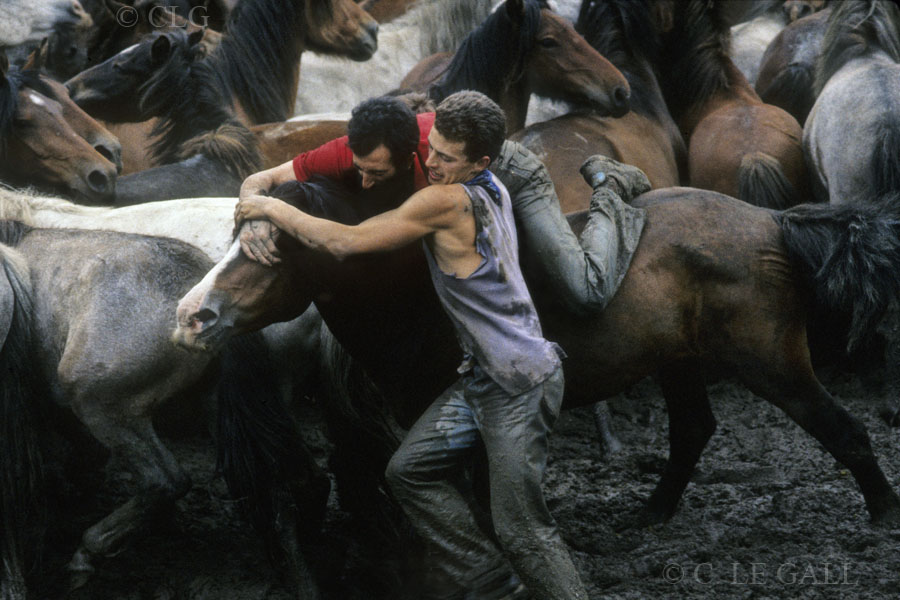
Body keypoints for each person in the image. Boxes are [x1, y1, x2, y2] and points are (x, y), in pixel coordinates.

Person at [234, 90, 594, 600]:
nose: (432, 162)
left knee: (523, 531)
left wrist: (267, 205)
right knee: (407, 472)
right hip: (480, 379)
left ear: (481, 163)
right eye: (432, 149)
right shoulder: (489, 187)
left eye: (447, 157)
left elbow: (346, 243)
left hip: (518, 384)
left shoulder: (444, 200)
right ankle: (489, 577)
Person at [236, 95, 649, 318]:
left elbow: (354, 241)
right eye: (360, 170)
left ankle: (610, 187)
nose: (364, 182)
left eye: (377, 175)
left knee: (584, 292)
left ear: (406, 157)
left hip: (509, 173)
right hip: (451, 187)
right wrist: (251, 213)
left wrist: (273, 211)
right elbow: (261, 179)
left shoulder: (434, 160)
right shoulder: (354, 152)